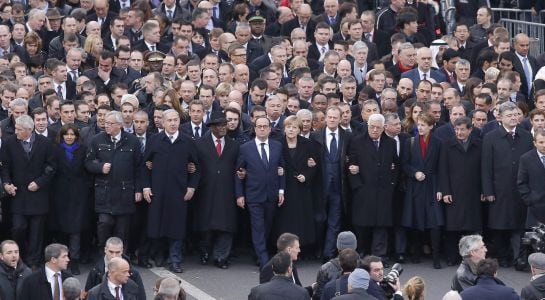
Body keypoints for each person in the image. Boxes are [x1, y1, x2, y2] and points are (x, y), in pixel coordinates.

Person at [142, 109, 200, 273]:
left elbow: (196, 168)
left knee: (177, 227)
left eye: (176, 120)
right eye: (170, 120)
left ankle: (175, 259)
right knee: (158, 223)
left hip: (179, 192)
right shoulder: (155, 140)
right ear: (163, 122)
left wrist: (191, 187)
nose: (173, 123)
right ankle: (159, 254)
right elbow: (145, 165)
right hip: (158, 191)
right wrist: (146, 187)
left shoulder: (187, 141)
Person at [482, 102, 533, 268]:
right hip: (499, 188)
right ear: (500, 117)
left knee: (519, 226)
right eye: (509, 115)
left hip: (521, 188)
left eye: (515, 114)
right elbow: (486, 166)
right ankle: (503, 256)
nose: (513, 118)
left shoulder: (526, 136)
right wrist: (488, 190)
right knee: (499, 226)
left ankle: (519, 258)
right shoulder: (491, 137)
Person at [0, 114, 56, 269]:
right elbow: (4, 167)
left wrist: (39, 182)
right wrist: (6, 183)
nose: (15, 132)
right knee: (18, 227)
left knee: (36, 232)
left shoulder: (45, 143)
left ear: (29, 130)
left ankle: (34, 262)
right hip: (18, 195)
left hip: (38, 195)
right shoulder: (9, 143)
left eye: (19, 129)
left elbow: (51, 167)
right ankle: (19, 258)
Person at [84, 111, 142, 250]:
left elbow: (138, 167)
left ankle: (122, 258)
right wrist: (99, 167)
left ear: (120, 125)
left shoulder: (132, 141)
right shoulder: (97, 140)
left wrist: (139, 189)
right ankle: (104, 255)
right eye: (106, 123)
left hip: (125, 193)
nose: (106, 125)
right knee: (104, 224)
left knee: (122, 230)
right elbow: (88, 162)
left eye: (110, 123)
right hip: (104, 192)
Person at [235, 116, 285, 268]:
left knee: (267, 226)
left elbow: (282, 170)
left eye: (265, 126)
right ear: (254, 129)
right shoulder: (245, 148)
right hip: (254, 195)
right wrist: (239, 194)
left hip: (272, 194)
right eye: (259, 126)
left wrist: (281, 191)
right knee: (258, 227)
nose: (262, 129)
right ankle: (264, 261)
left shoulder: (277, 146)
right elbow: (238, 172)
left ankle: (259, 254)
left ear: (270, 129)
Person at [348, 113, 398, 263]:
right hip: (364, 190)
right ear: (367, 126)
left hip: (383, 191)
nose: (375, 130)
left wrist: (391, 184)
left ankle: (379, 256)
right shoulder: (357, 142)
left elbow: (395, 165)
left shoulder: (390, 143)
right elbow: (351, 166)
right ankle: (361, 254)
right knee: (362, 225)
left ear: (384, 128)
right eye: (372, 127)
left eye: (378, 127)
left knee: (381, 226)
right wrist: (357, 186)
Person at [194, 111, 238, 270]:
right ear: (211, 127)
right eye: (218, 125)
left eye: (224, 125)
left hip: (227, 192)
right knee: (206, 226)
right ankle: (205, 251)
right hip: (206, 191)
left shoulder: (234, 144)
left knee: (226, 226)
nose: (222, 128)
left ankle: (221, 257)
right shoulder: (199, 144)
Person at [401, 113, 443, 269]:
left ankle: (436, 256)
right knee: (416, 220)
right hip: (416, 186)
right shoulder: (410, 142)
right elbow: (404, 164)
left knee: (435, 222)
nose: (420, 128)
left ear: (431, 126)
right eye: (418, 125)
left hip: (432, 185)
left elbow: (441, 167)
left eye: (424, 125)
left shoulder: (438, 143)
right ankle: (416, 253)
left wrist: (440, 188)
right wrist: (414, 173)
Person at [438, 117, 483, 265]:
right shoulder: (447, 145)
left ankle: (471, 258)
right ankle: (452, 257)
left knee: (471, 228)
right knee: (453, 228)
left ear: (470, 130)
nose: (459, 132)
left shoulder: (478, 144)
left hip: (473, 192)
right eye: (457, 129)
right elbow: (442, 170)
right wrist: (446, 191)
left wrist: (483, 190)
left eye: (462, 129)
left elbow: (483, 170)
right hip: (454, 191)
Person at [50, 124, 92, 275]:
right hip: (60, 195)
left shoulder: (82, 150)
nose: (69, 137)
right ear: (61, 136)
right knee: (62, 231)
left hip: (78, 196)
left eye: (72, 134)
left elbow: (87, 170)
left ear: (76, 136)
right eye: (66, 134)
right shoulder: (55, 150)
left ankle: (74, 261)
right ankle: (63, 261)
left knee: (76, 231)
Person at [310, 106, 351, 261]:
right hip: (320, 185)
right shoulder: (315, 136)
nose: (332, 120)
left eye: (335, 117)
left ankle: (328, 253)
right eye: (330, 117)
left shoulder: (347, 136)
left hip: (339, 187)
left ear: (340, 119)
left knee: (335, 221)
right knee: (319, 219)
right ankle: (318, 248)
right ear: (326, 118)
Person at [273, 116, 317, 247]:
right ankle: (283, 247)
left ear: (299, 130)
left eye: (294, 127)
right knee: (283, 220)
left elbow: (314, 165)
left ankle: (299, 248)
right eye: (288, 127)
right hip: (283, 187)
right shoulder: (277, 143)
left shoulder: (307, 143)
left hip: (301, 188)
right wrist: (277, 170)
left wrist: (306, 176)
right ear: (284, 129)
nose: (291, 130)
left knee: (300, 219)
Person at [314, 231, 358, 300]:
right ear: (355, 247)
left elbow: (319, 295)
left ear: (338, 248)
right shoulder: (365, 266)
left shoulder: (325, 268)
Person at [518, 129, 545, 227]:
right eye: (541, 142)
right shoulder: (526, 158)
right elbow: (521, 182)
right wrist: (530, 200)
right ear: (535, 143)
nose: (544, 145)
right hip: (535, 208)